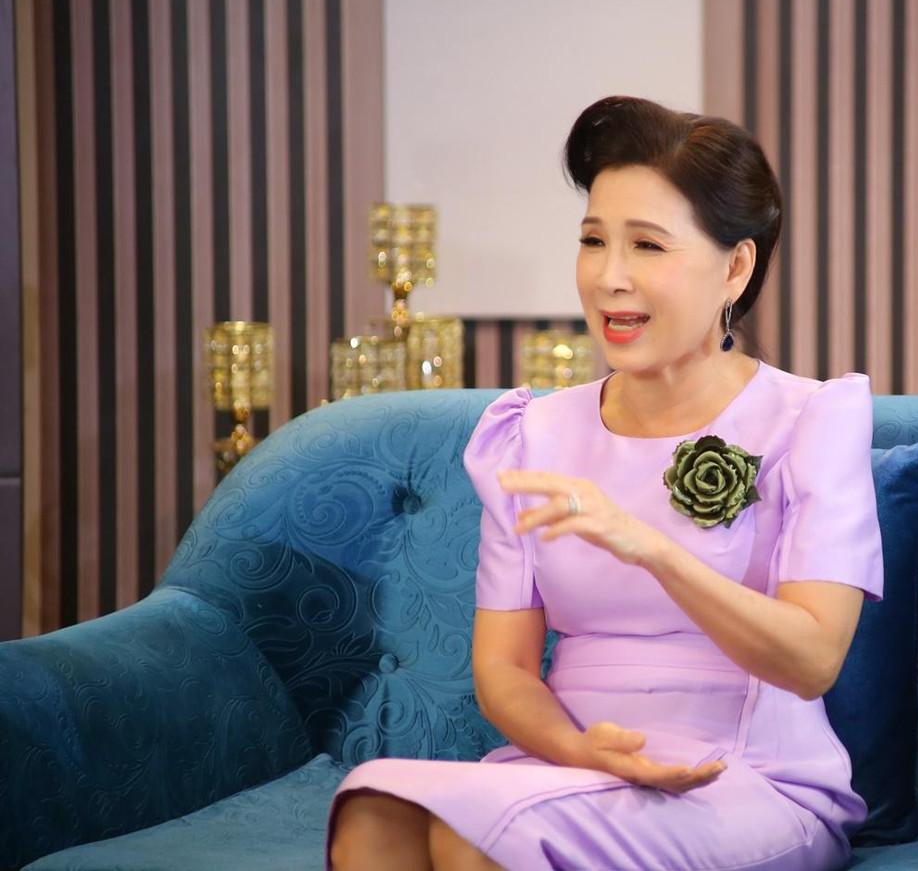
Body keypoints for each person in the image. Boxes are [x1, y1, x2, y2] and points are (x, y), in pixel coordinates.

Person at [326, 95, 884, 870]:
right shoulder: (531, 432)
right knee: (374, 807)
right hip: (572, 767)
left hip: (748, 775)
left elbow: (813, 658)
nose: (609, 277)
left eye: (647, 245)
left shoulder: (810, 419)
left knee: (473, 834)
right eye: (593, 240)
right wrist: (583, 751)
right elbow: (505, 668)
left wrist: (651, 547)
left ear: (735, 266)